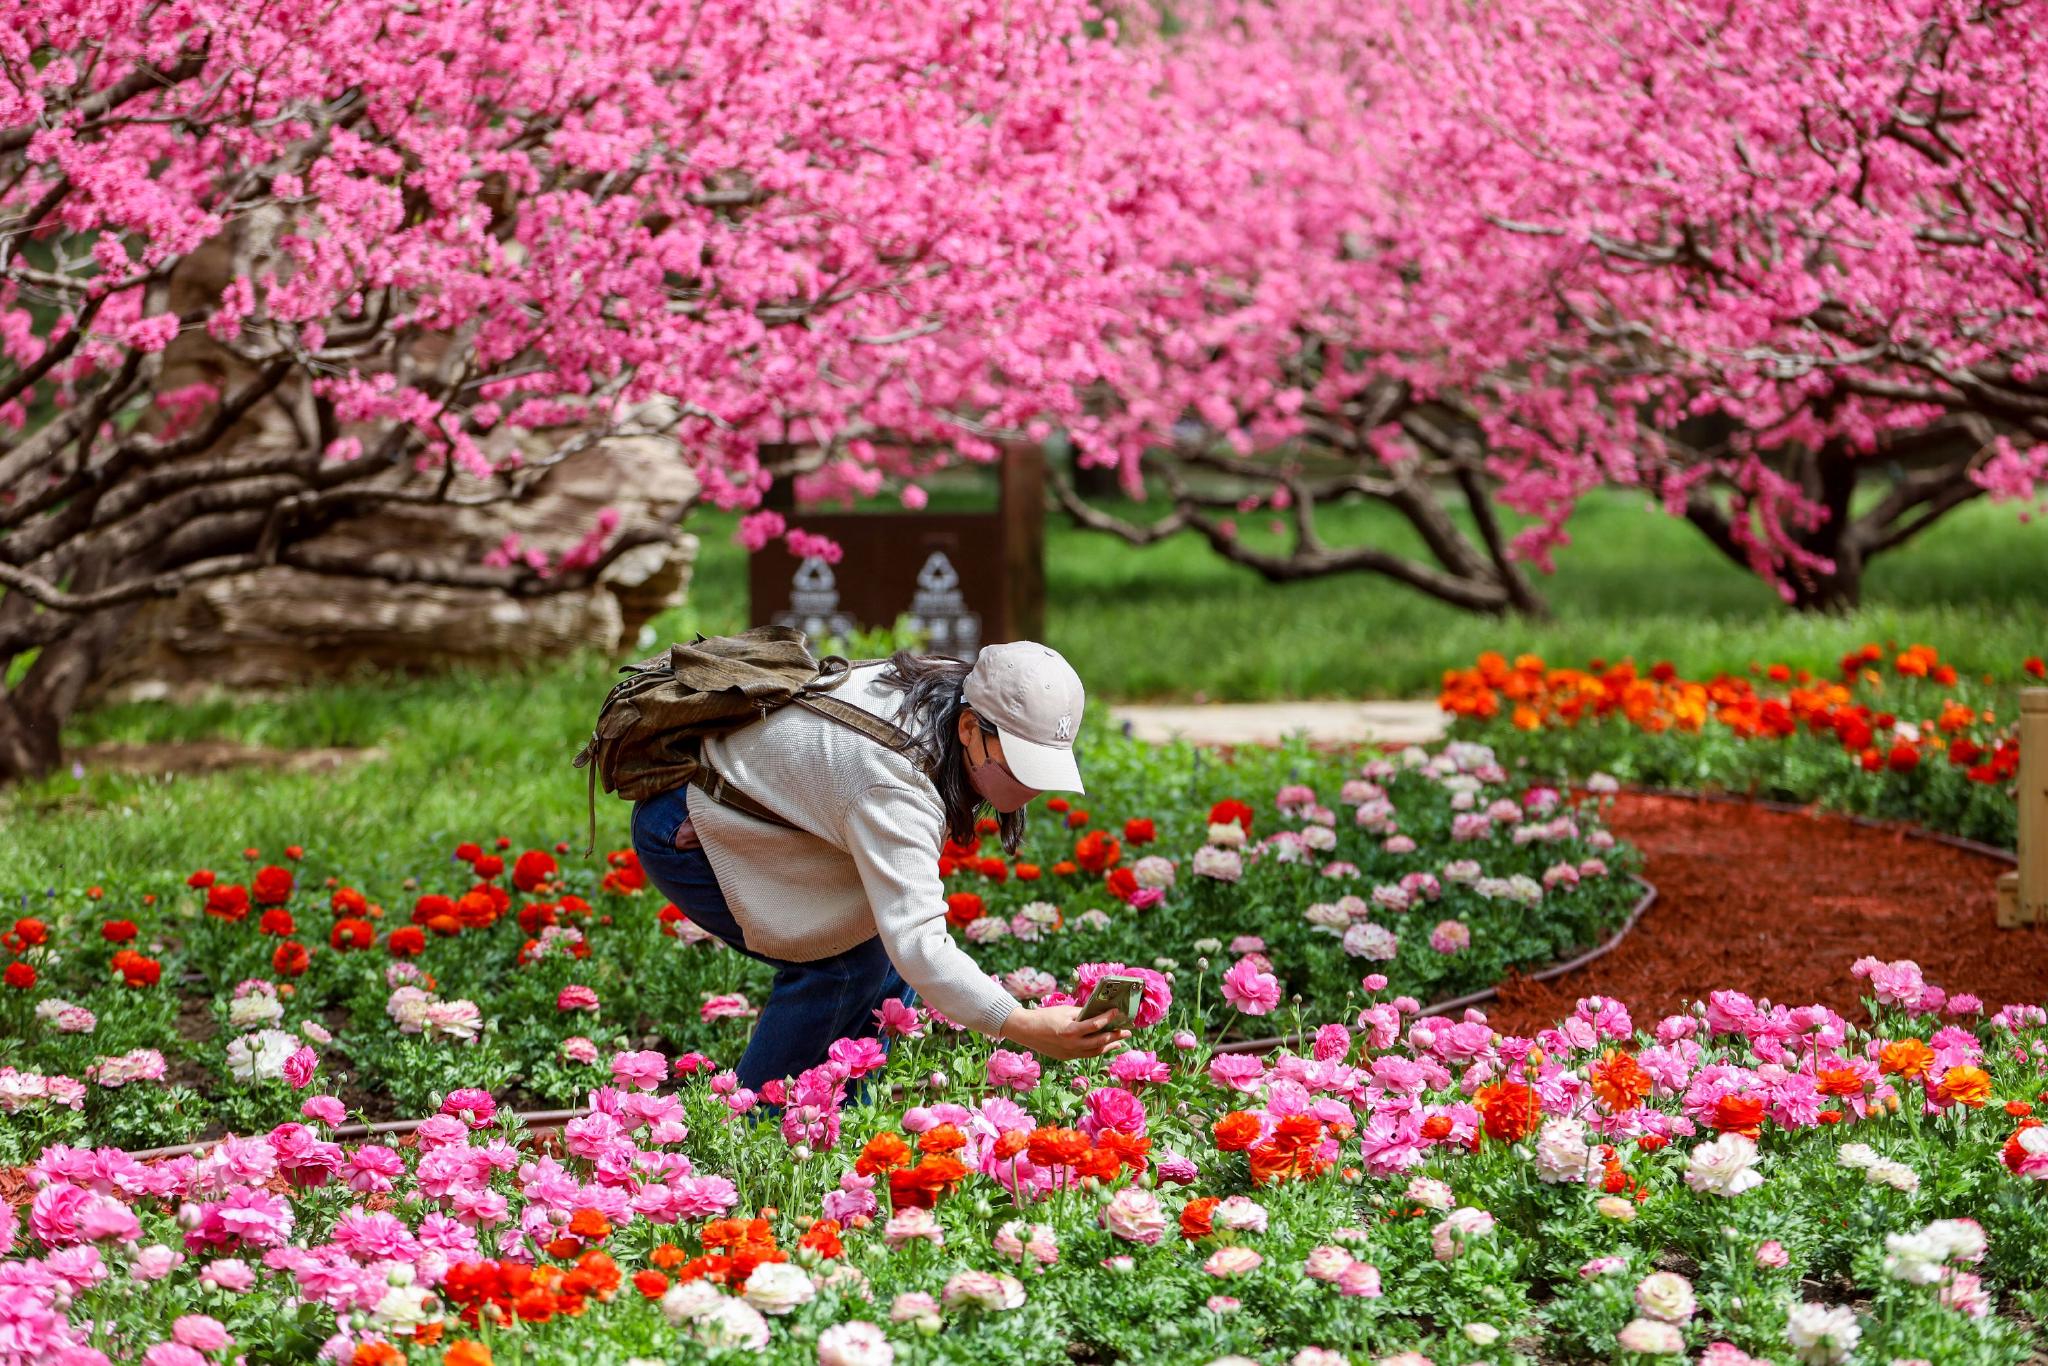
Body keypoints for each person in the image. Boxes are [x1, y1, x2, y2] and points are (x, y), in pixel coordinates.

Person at [629, 640, 1130, 1091]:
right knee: (841, 967)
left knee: (876, 956)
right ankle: (756, 1126)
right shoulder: (895, 780)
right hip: (690, 826)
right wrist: (1022, 1024)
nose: (1032, 786)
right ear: (969, 727)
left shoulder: (947, 691)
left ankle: (839, 1126)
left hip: (763, 806)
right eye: (1020, 762)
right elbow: (921, 945)